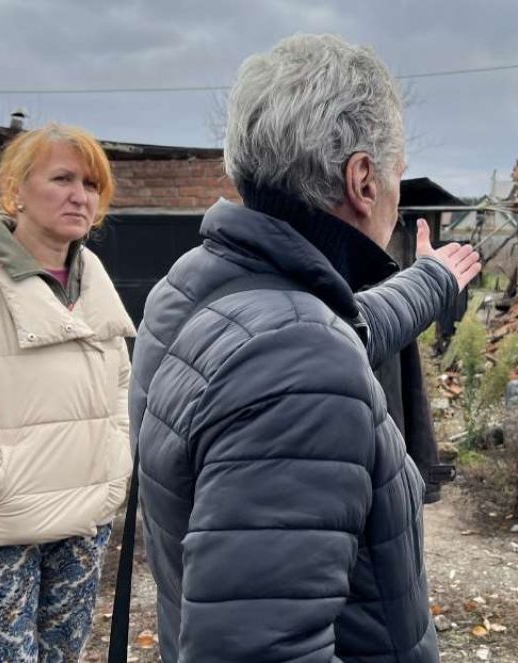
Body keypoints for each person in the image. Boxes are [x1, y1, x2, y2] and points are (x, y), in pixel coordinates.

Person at [130, 34, 480, 662]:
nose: (398, 205)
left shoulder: (195, 288)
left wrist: (432, 282)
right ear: (363, 179)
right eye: (396, 175)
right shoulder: (297, 359)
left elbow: (348, 325)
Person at [0, 124, 134, 661]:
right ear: (16, 190)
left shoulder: (91, 274)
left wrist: (114, 463)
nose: (80, 195)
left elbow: (119, 384)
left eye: (92, 185)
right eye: (62, 178)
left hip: (78, 523)